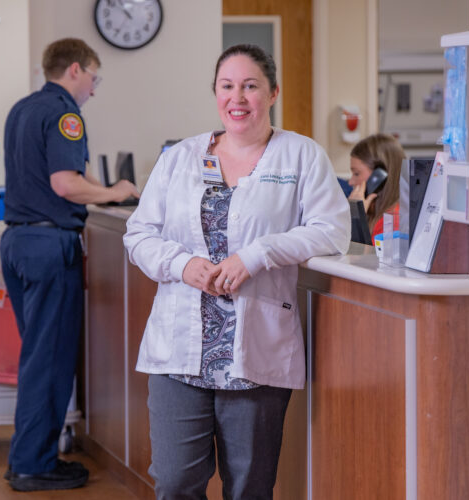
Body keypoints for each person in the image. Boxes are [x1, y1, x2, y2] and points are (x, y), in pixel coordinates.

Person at [123, 44, 350, 499]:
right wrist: (181, 263)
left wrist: (258, 254)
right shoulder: (180, 158)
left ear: (272, 94)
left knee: (248, 486)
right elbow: (139, 234)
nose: (238, 97)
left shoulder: (301, 156)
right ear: (216, 93)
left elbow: (332, 231)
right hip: (180, 352)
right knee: (174, 480)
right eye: (227, 86)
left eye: (250, 86)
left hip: (254, 355)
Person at [0, 37, 139, 492]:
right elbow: (64, 184)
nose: (94, 89)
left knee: (37, 356)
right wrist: (116, 193)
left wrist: (100, 187)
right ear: (75, 69)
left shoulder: (22, 109)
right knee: (50, 359)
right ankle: (33, 465)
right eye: (94, 78)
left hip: (18, 241)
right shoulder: (65, 114)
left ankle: (30, 456)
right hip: (48, 245)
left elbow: (66, 175)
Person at [347, 133, 405, 238]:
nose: (350, 182)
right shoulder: (372, 214)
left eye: (356, 173)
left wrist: (356, 218)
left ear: (379, 176)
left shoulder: (391, 223)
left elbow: (357, 254)